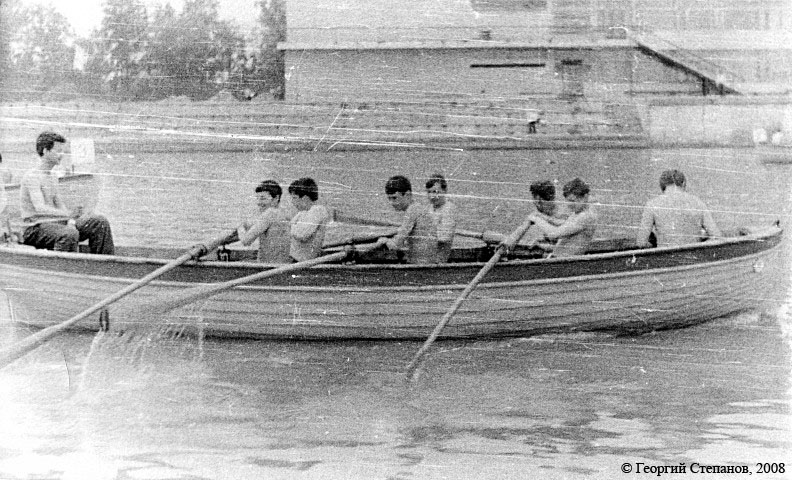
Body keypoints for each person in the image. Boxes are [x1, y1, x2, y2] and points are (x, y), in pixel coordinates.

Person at [19, 132, 114, 254]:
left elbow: (59, 204)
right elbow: (40, 208)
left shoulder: (52, 176)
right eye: (58, 151)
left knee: (99, 222)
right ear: (45, 151)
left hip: (54, 224)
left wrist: (71, 220)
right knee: (69, 234)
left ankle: (105, 262)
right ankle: (60, 264)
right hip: (34, 228)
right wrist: (68, 214)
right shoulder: (32, 176)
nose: (62, 155)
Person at [636, 169, 722, 248]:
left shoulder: (652, 205)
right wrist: (699, 246)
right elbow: (717, 237)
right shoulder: (698, 203)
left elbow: (641, 243)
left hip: (665, 257)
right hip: (693, 255)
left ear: (662, 185)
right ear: (683, 183)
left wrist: (654, 242)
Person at [376, 175, 447, 264]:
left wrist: (383, 240)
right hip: (426, 262)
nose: (392, 203)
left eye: (394, 198)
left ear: (407, 194)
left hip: (421, 266)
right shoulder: (417, 208)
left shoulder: (412, 211)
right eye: (389, 198)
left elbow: (396, 244)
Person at [524, 178, 598, 257]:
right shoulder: (578, 213)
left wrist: (535, 219)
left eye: (572, 201)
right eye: (568, 201)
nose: (569, 205)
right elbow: (563, 228)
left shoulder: (585, 217)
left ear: (585, 197)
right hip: (559, 258)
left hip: (564, 262)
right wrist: (543, 217)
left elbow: (553, 234)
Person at [500, 180, 567, 254]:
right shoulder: (540, 211)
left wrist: (542, 245)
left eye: (537, 201)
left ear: (538, 200)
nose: (535, 203)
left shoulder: (564, 213)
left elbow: (563, 243)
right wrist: (507, 243)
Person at [236, 180, 292, 263]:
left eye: (263, 199)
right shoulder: (284, 213)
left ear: (276, 198)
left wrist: (239, 226)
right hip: (282, 264)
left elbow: (246, 241)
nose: (259, 203)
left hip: (269, 267)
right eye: (257, 198)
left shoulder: (270, 213)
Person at [288, 177, 331, 262]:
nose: (292, 202)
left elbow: (302, 235)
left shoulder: (318, 210)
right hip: (297, 260)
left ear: (305, 198)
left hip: (305, 262)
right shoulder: (302, 213)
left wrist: (292, 226)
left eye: (294, 198)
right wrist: (293, 226)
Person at [425, 173, 456, 262]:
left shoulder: (449, 208)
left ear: (445, 191)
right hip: (425, 254)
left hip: (437, 260)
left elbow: (444, 237)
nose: (432, 196)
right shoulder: (429, 208)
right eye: (429, 192)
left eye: (436, 192)